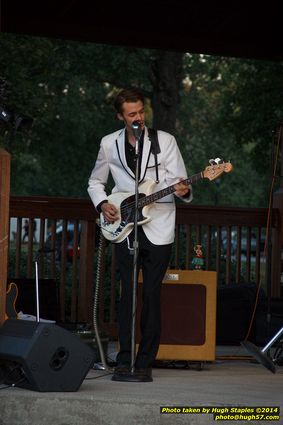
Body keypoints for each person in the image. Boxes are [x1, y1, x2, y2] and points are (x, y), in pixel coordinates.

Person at [87, 88, 192, 382]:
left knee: (151, 294)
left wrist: (183, 188)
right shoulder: (109, 143)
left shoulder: (165, 141)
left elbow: (180, 182)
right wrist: (103, 203)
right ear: (120, 116)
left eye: (141, 113)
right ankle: (124, 359)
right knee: (127, 294)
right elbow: (95, 181)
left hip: (159, 225)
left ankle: (145, 359)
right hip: (125, 224)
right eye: (131, 114)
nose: (138, 119)